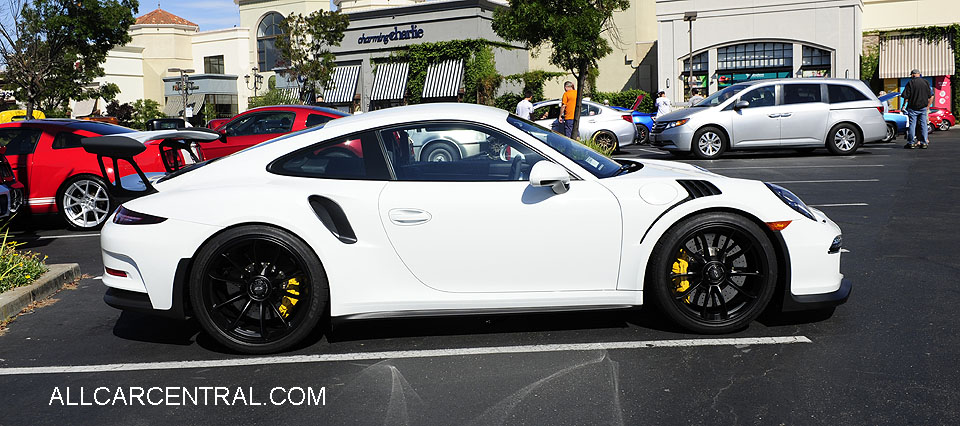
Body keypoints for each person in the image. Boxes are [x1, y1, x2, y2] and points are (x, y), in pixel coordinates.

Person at [901, 68, 934, 149]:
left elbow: (906, 96)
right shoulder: (926, 82)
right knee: (924, 125)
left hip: (913, 107)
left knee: (912, 125)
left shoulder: (910, 82)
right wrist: (928, 106)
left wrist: (903, 105)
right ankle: (924, 142)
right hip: (923, 107)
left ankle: (911, 143)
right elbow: (930, 95)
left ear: (913, 74)